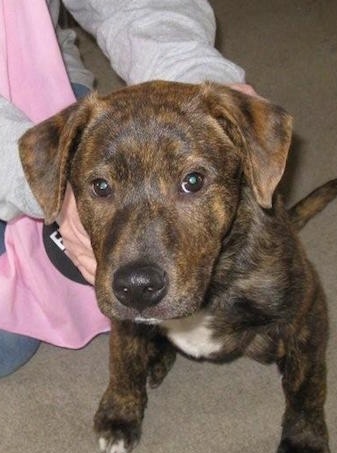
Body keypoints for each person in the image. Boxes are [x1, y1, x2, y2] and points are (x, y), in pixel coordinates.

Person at [0, 0, 254, 377]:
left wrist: (202, 80)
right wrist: (45, 186)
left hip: (41, 69)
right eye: (101, 186)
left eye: (192, 181)